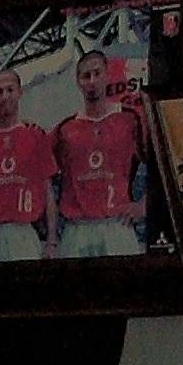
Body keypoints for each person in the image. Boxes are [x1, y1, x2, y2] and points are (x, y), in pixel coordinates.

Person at [54, 45, 146, 259]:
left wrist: (143, 205)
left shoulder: (130, 119)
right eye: (86, 76)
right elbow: (43, 175)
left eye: (97, 73)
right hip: (77, 230)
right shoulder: (65, 128)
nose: (92, 81)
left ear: (107, 75)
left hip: (117, 225)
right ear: (78, 82)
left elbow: (162, 164)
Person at [0, 65, 58, 261]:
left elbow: (47, 191)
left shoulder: (35, 135)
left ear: (20, 93)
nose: (5, 96)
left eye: (10, 90)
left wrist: (51, 242)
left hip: (23, 234)